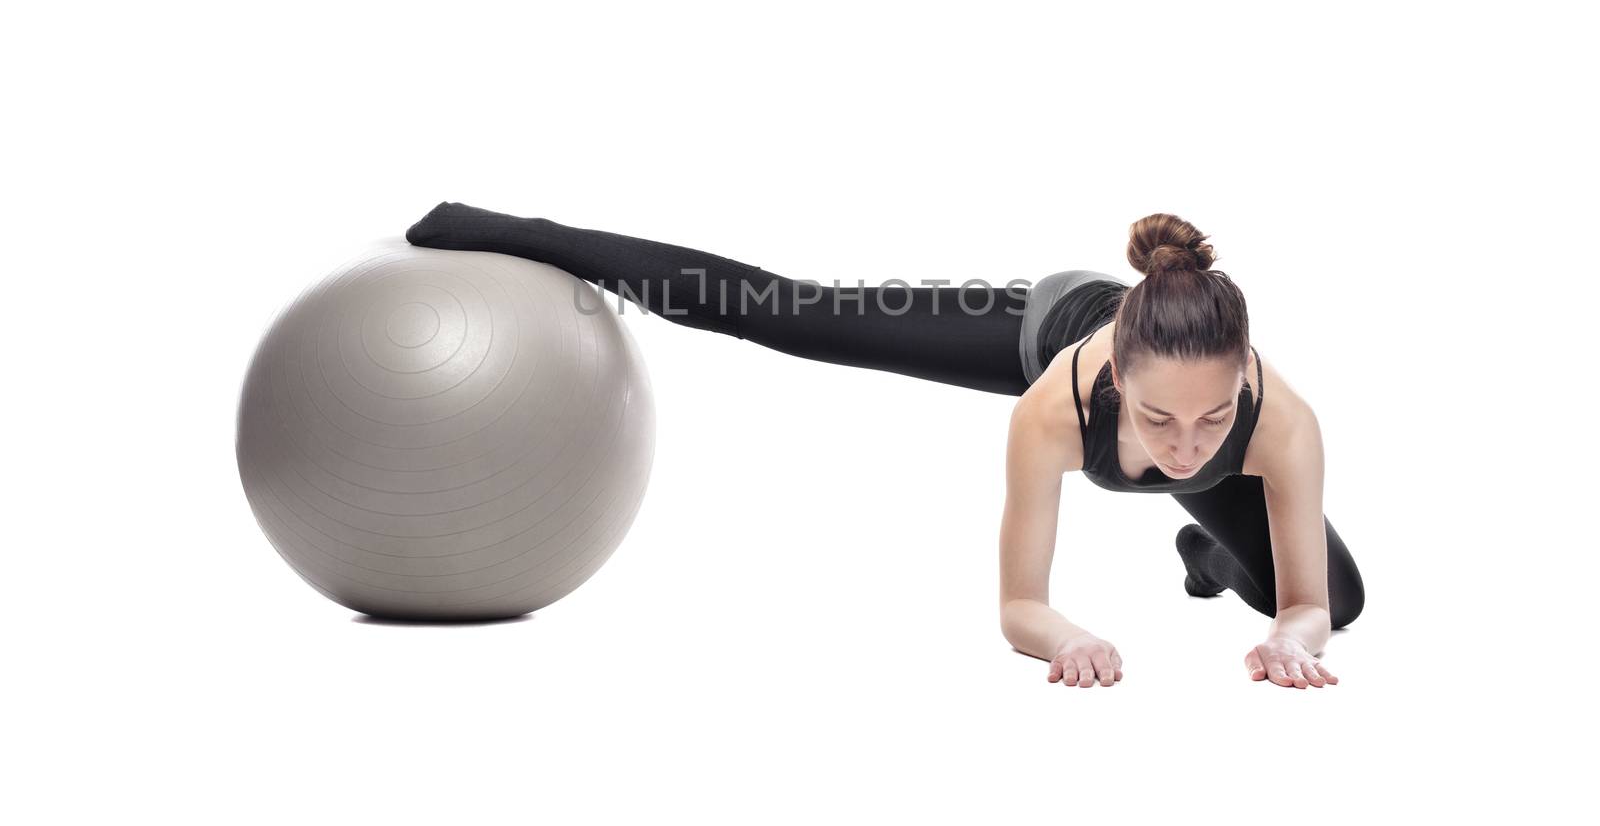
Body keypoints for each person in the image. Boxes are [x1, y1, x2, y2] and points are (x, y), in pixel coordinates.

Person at [404, 203, 1364, 690]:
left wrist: (1293, 631)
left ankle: (1205, 551)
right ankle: (502, 226)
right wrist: (1064, 637)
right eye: (1157, 420)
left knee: (1346, 599)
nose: (1188, 447)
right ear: (1116, 375)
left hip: (1198, 396)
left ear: (1244, 380)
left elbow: (1314, 606)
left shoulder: (1281, 422)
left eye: (1211, 418)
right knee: (794, 315)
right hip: (1036, 322)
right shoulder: (1050, 411)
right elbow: (1021, 603)